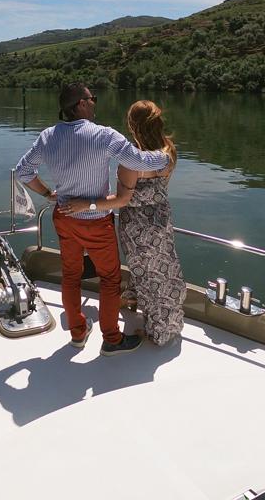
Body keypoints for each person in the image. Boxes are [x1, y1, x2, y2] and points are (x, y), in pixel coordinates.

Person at [15, 84, 169, 355]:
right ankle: (111, 338)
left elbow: (23, 171)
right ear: (81, 105)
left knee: (71, 276)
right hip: (96, 220)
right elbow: (139, 162)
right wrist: (164, 156)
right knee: (109, 279)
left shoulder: (48, 136)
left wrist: (48, 192)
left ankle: (78, 332)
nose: (94, 103)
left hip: (63, 217)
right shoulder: (103, 135)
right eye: (92, 99)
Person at [59, 100, 184, 346]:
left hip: (137, 227)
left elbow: (122, 200)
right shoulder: (169, 152)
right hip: (161, 220)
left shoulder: (131, 163)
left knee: (145, 271)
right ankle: (141, 304)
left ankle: (155, 329)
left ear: (132, 125)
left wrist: (87, 205)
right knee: (161, 269)